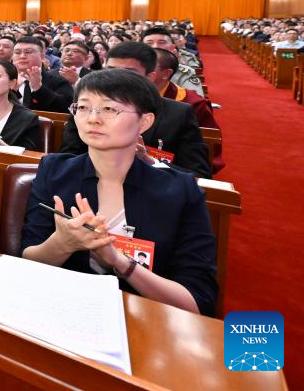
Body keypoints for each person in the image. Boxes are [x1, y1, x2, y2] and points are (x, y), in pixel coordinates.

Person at [20, 68, 218, 316]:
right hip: (65, 310)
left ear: (144, 122)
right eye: (83, 107)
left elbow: (197, 302)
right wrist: (61, 244)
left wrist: (119, 261)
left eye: (109, 109)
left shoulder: (180, 190)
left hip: (147, 320)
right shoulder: (55, 170)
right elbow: (26, 262)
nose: (93, 118)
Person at [59, 42, 211, 178]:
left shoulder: (178, 113)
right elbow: (68, 157)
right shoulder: (86, 108)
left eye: (128, 72)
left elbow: (198, 174)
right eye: (110, 71)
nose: (115, 79)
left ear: (150, 77)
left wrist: (150, 161)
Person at [12, 36, 74, 113]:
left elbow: (67, 108)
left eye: (28, 52)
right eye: (17, 52)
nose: (22, 56)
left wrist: (38, 88)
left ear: (42, 56)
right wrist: (12, 91)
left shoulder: (58, 80)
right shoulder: (5, 79)